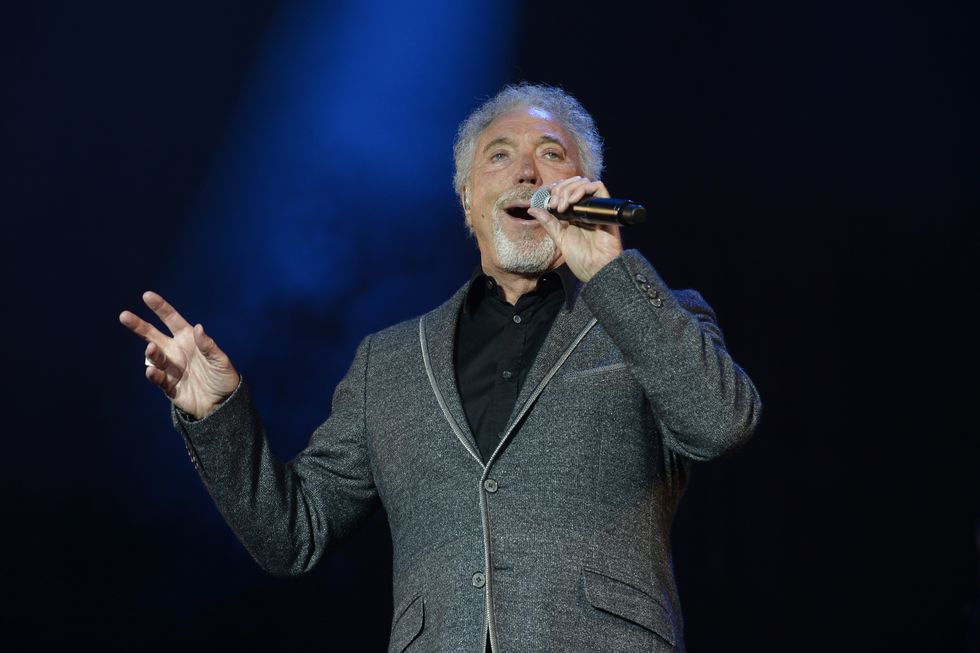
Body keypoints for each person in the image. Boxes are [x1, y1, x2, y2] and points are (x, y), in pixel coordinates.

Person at [120, 83, 761, 653]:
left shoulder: (657, 320)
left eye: (552, 153)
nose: (526, 172)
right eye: (500, 155)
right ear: (466, 201)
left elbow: (720, 424)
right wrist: (217, 414)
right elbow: (292, 535)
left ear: (587, 189)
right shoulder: (389, 362)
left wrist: (610, 275)